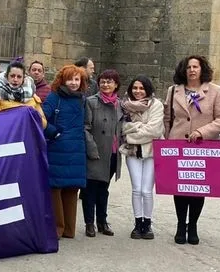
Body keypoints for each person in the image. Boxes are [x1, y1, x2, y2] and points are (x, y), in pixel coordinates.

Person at [164, 55, 220, 245]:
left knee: (197, 188)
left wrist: (202, 131)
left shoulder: (216, 91)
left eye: (196, 67)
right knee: (180, 187)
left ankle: (192, 225)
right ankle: (180, 225)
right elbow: (168, 118)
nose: (192, 70)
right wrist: (168, 141)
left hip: (203, 146)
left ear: (202, 70)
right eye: (188, 67)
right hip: (178, 145)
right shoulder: (173, 91)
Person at [42, 65, 89, 239]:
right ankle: (57, 228)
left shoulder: (81, 99)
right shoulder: (54, 97)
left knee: (71, 189)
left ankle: (69, 229)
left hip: (76, 148)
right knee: (55, 188)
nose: (74, 83)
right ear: (62, 80)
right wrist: (53, 132)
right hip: (58, 147)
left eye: (77, 79)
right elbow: (41, 118)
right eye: (70, 79)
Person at [120, 76, 164, 240]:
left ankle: (148, 223)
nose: (138, 91)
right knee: (136, 189)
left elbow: (155, 130)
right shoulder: (124, 106)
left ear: (148, 89)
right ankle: (138, 223)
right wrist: (137, 128)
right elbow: (123, 128)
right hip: (133, 152)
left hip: (151, 152)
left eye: (142, 88)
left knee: (147, 190)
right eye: (135, 88)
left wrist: (132, 132)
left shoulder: (156, 105)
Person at [82, 70, 123, 238]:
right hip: (96, 152)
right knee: (90, 189)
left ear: (116, 85)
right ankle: (89, 223)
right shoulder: (91, 102)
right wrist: (92, 149)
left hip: (113, 153)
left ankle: (102, 221)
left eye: (110, 82)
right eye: (103, 81)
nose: (106, 84)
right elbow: (85, 128)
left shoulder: (120, 104)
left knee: (104, 189)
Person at [0, 62, 46, 127]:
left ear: (23, 79)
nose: (15, 79)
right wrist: (21, 114)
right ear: (7, 76)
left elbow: (43, 124)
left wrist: (33, 116)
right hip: (6, 134)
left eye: (19, 77)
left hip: (27, 134)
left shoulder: (32, 95)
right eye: (12, 76)